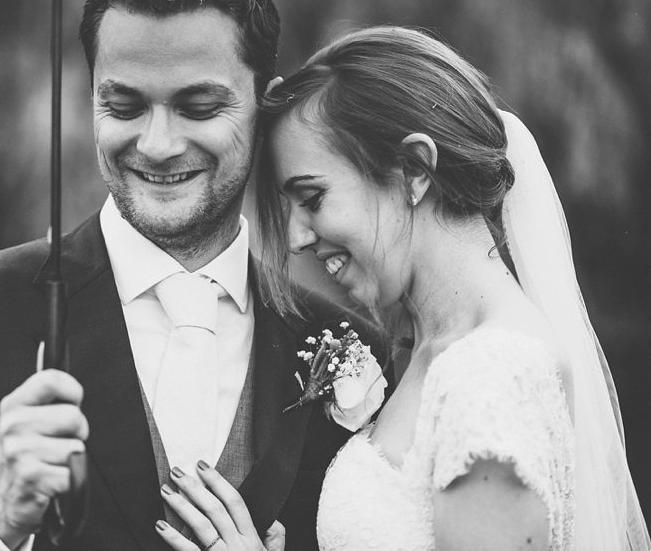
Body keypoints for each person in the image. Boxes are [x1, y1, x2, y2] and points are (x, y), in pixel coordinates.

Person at [0, 0, 351, 551]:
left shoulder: (348, 344)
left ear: (265, 104)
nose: (156, 144)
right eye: (123, 106)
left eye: (198, 106)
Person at [156, 27, 649, 550]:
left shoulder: (491, 376)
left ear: (414, 170)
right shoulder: (434, 352)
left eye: (312, 197)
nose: (298, 237)